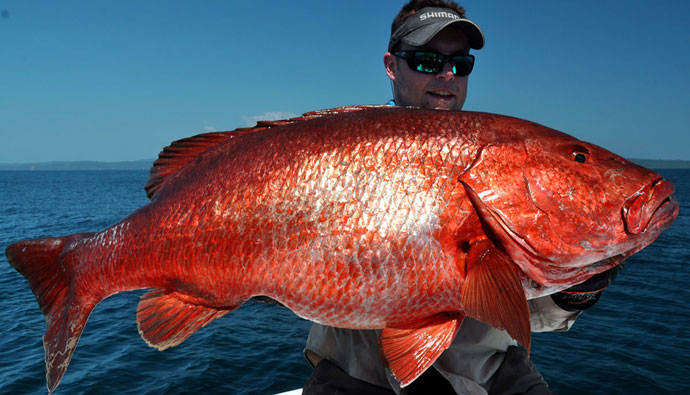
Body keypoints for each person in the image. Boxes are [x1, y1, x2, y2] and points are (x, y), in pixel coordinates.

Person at [302, 1, 620, 394]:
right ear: (391, 66)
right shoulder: (335, 155)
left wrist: (574, 290)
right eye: (425, 60)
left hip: (492, 377)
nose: (446, 74)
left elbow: (522, 308)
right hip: (355, 373)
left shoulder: (501, 159)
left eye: (460, 63)